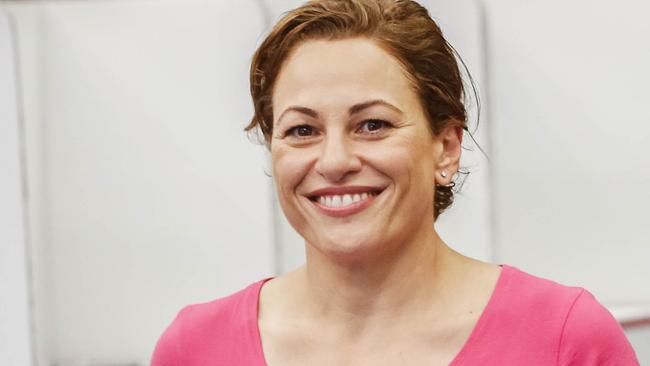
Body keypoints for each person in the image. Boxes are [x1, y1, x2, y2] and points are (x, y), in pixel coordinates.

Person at [151, 0, 640, 364]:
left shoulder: (564, 339)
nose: (335, 160)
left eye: (373, 125)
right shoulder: (194, 347)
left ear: (445, 147)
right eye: (302, 130)